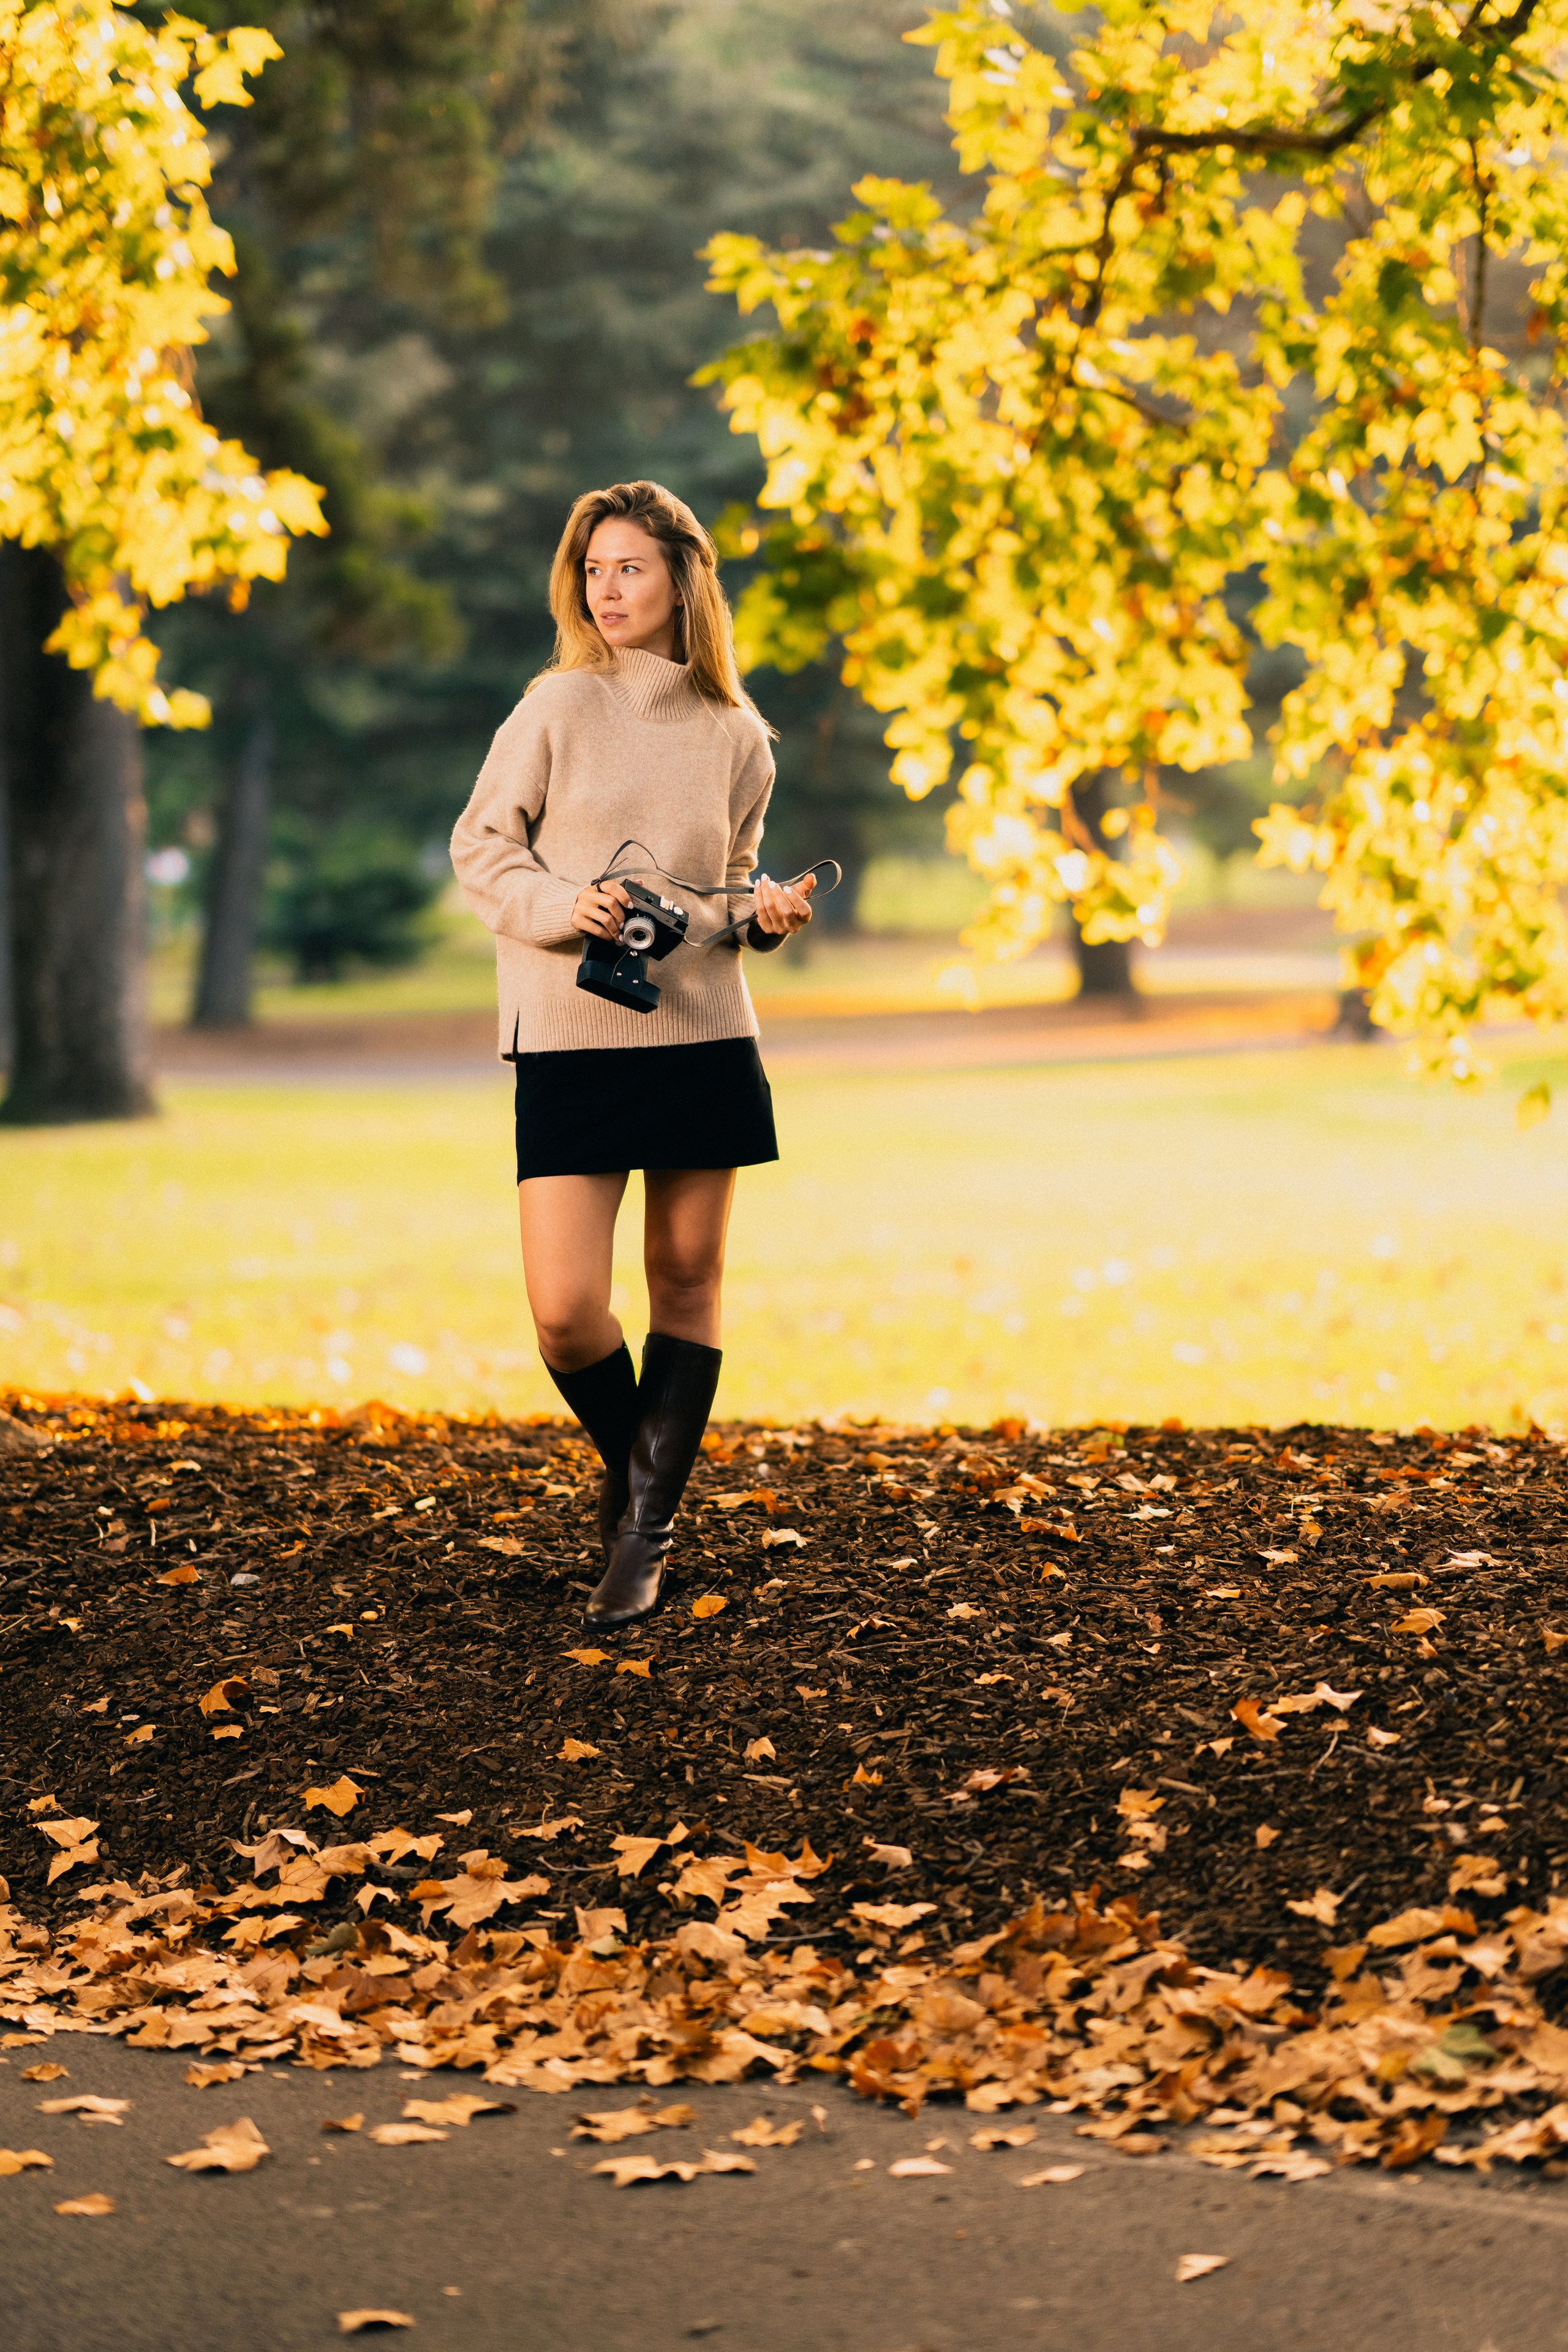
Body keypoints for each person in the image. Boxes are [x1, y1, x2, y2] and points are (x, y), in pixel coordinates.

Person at [450, 480, 815, 1633]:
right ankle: (640, 1472)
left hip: (703, 1030)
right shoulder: (554, 707)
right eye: (595, 571)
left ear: (682, 580)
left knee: (687, 1282)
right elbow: (481, 848)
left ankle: (644, 1535)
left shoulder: (739, 736)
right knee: (566, 1311)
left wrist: (758, 916)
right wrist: (569, 907)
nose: (609, 590)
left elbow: (718, 894)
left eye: (631, 569)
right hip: (570, 1035)